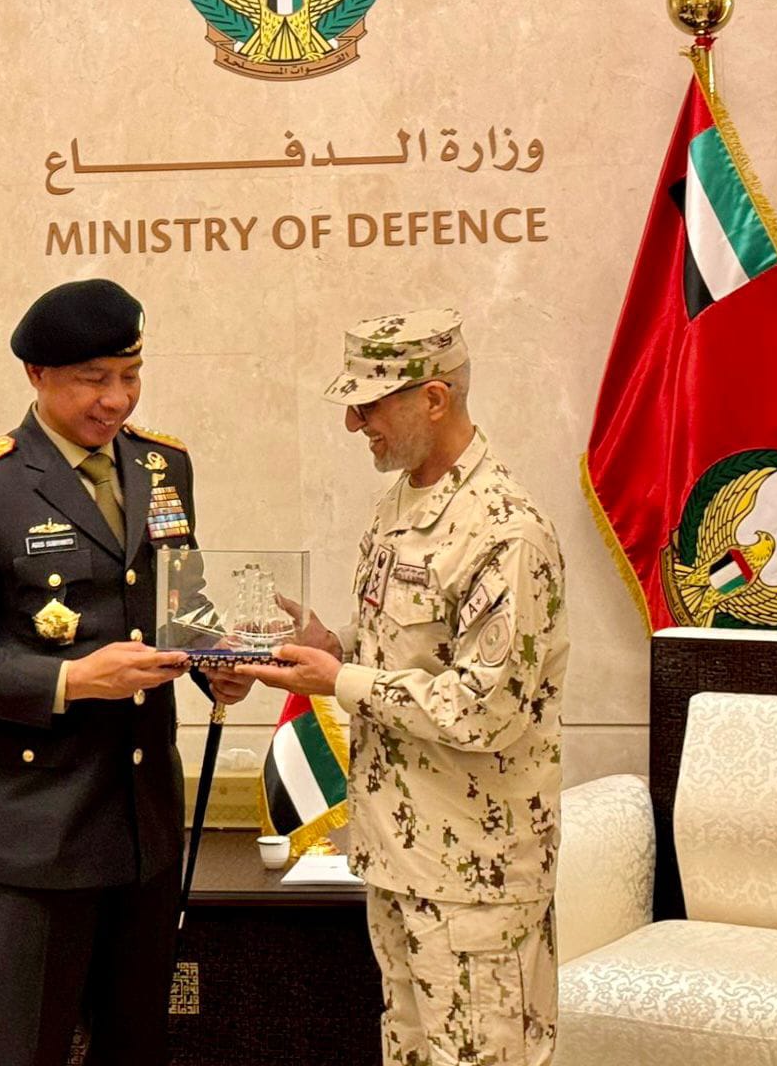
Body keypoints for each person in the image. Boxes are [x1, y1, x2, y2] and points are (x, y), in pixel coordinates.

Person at [0, 278, 251, 1066]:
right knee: (23, 1051)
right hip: (39, 831)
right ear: (37, 375)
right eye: (93, 379)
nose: (116, 399)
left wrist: (213, 664)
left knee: (136, 1048)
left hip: (144, 825)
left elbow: (178, 598)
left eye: (130, 375)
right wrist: (68, 681)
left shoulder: (162, 465)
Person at [239, 309, 568, 1066]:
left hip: (476, 876)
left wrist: (340, 679)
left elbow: (486, 708)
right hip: (398, 854)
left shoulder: (505, 531)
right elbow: (413, 653)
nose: (353, 423)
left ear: (433, 399)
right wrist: (332, 647)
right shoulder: (398, 507)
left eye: (369, 404)